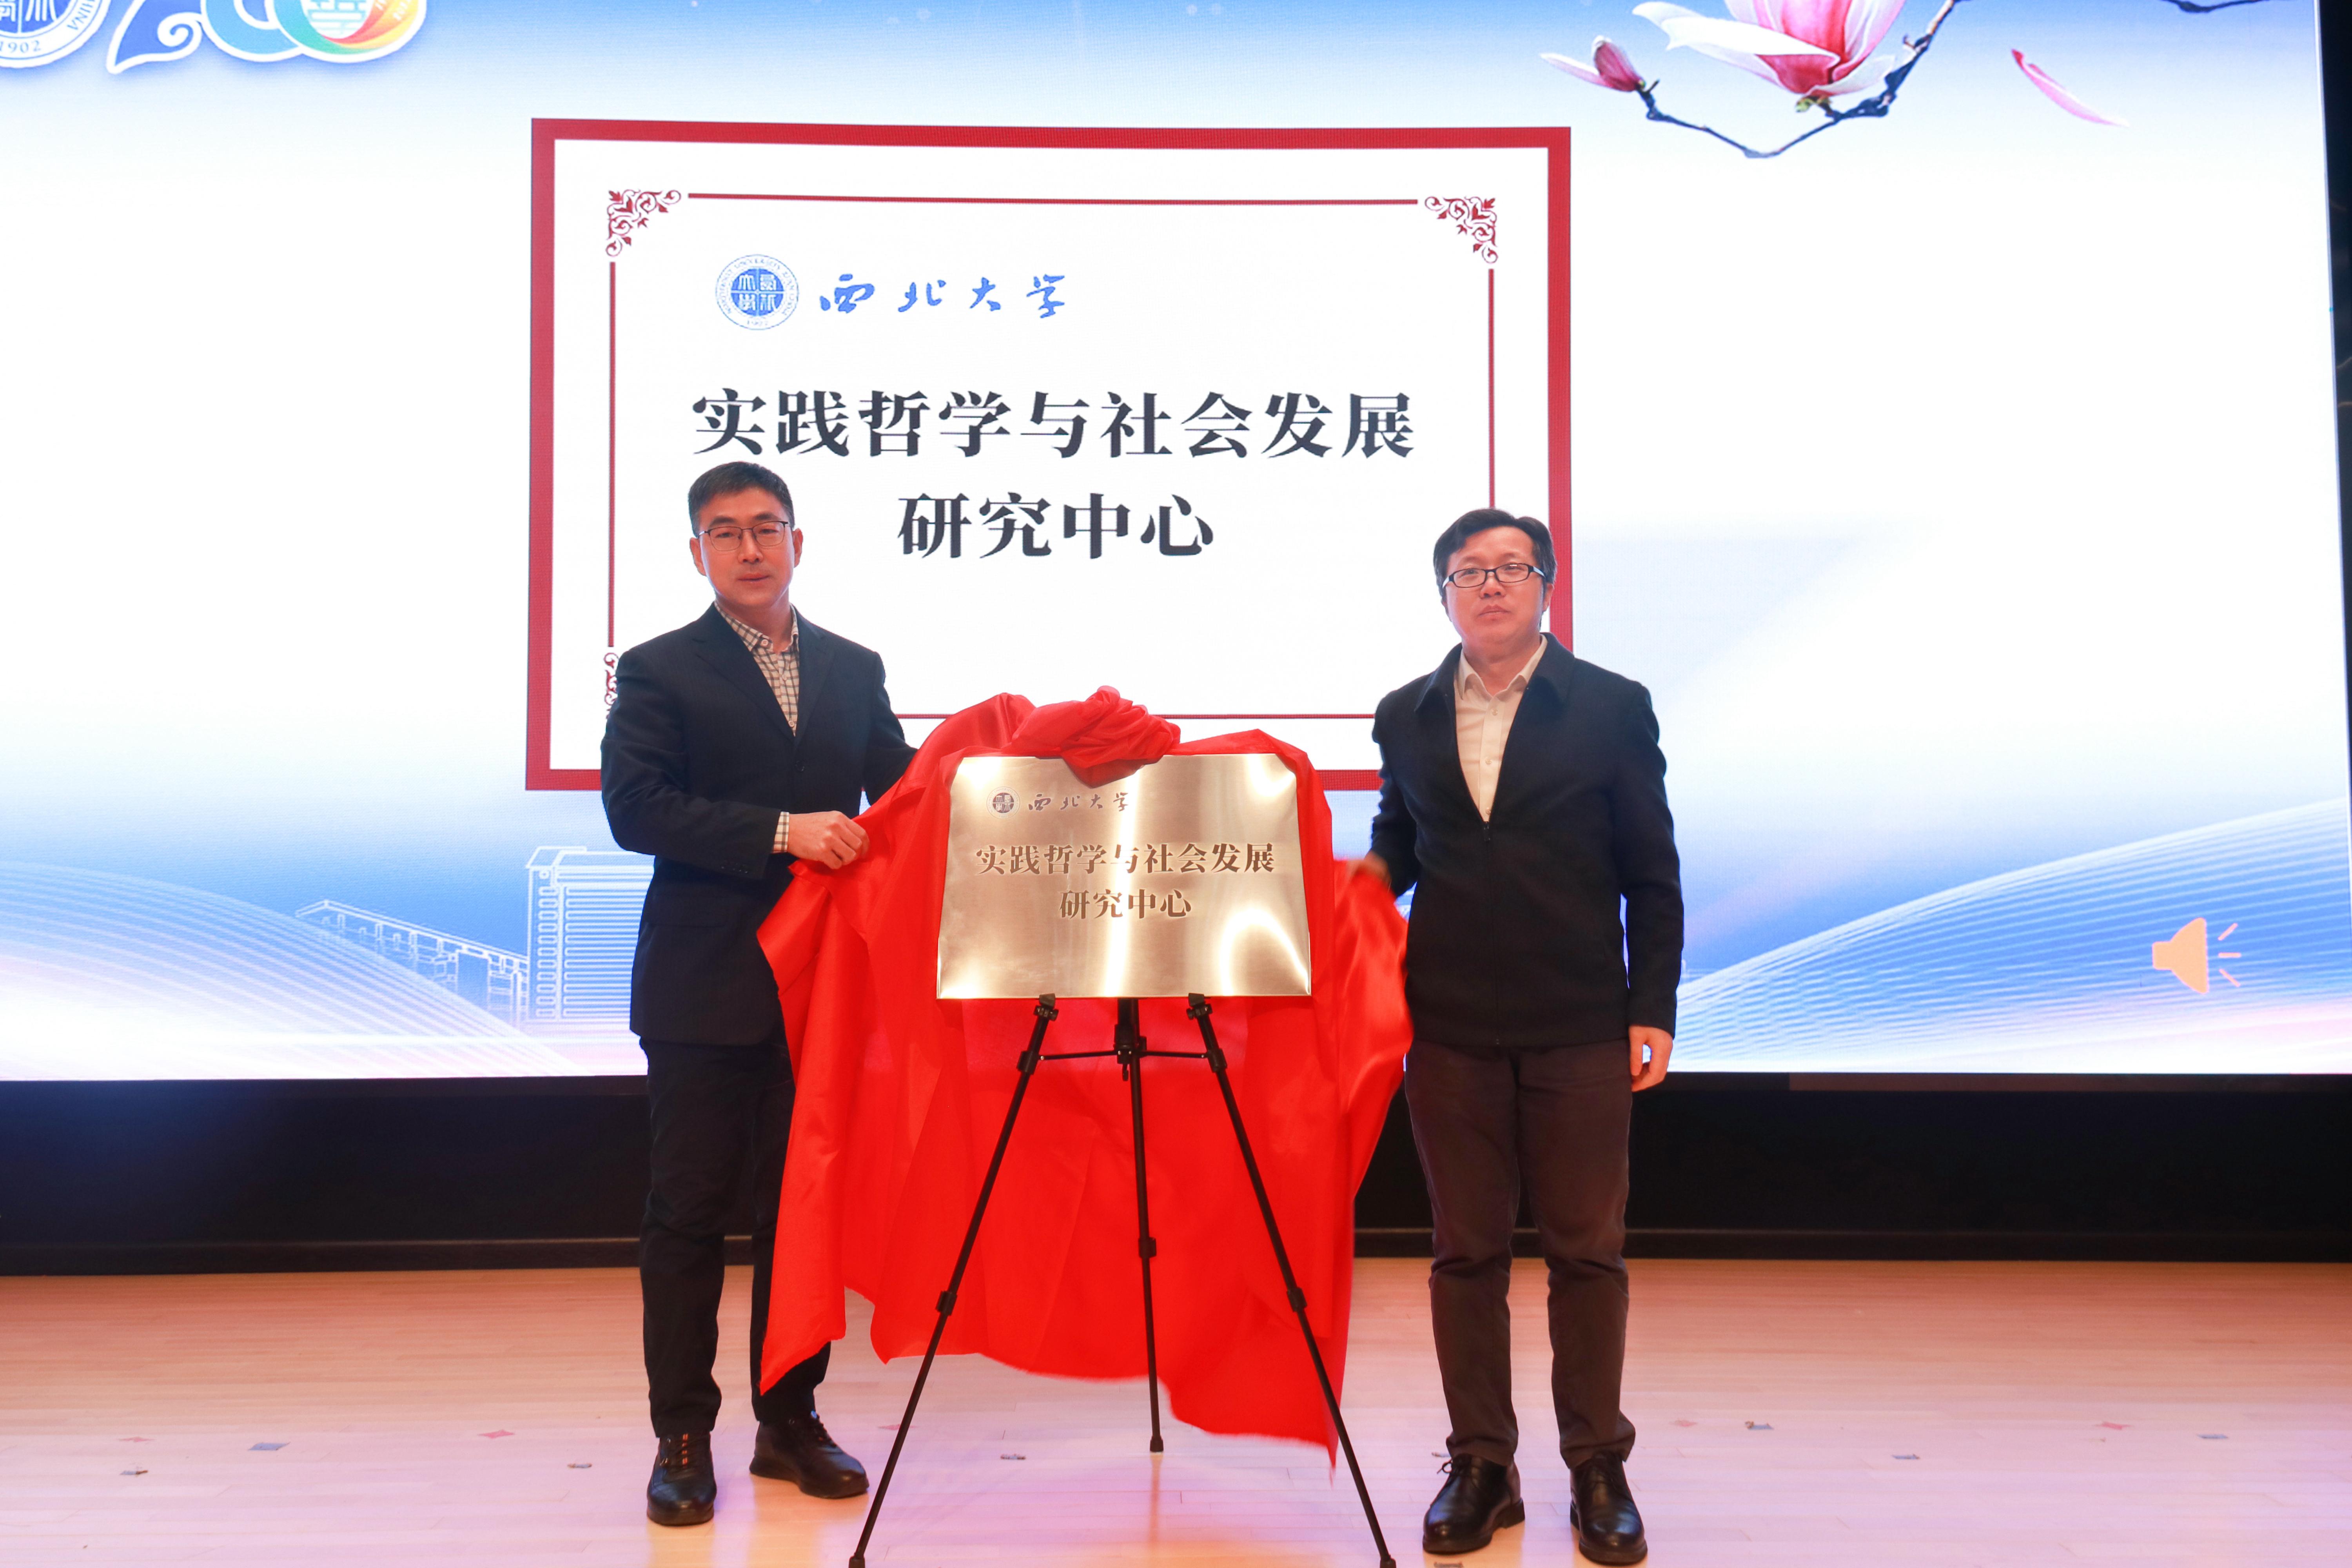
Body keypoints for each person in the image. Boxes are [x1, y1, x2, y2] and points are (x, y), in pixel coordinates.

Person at [1358, 508, 1682, 1563]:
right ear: (1444, 594)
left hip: (1581, 1020)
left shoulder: (1611, 707)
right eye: (1470, 571)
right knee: (1466, 1255)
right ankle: (1482, 1466)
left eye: (1512, 567)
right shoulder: (1405, 714)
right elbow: (1401, 842)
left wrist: (1652, 1006)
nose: (1491, 584)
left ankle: (1598, 1466)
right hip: (1449, 1025)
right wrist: (1348, 885)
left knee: (1587, 1252)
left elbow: (1652, 872)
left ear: (1545, 586)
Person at [602, 459, 916, 1527]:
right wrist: (785, 832)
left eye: (767, 527)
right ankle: (683, 1435)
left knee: (801, 1214)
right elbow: (636, 809)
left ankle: (789, 1421)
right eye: (726, 531)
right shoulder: (658, 669)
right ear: (698, 553)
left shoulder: (853, 667)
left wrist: (1031, 789)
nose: (750, 547)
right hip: (704, 982)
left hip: (822, 988)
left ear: (798, 542)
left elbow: (905, 797)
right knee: (689, 1213)